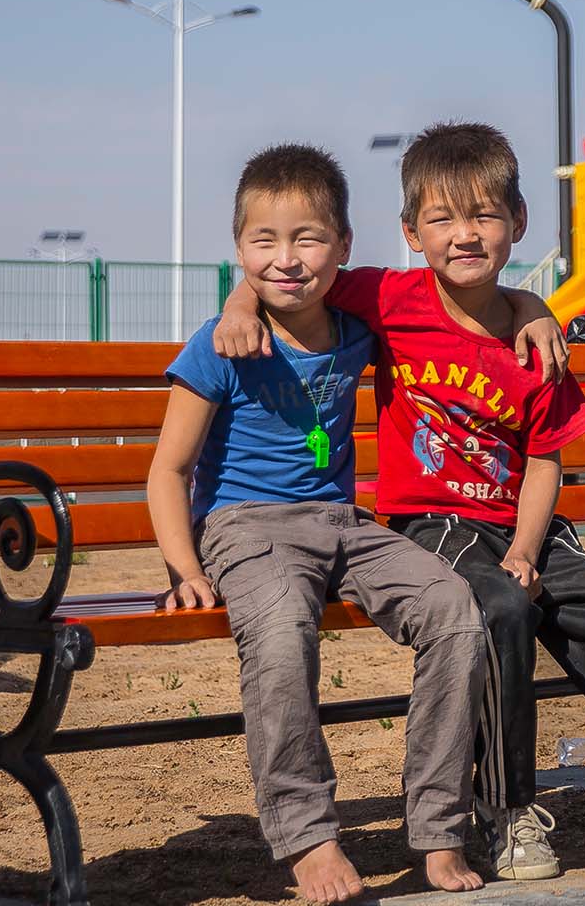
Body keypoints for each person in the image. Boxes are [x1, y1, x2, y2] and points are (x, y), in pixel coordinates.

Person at [218, 123, 585, 882]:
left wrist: (531, 547)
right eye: (442, 220)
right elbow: (292, 266)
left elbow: (544, 461)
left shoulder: (538, 344)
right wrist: (240, 302)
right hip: (431, 525)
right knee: (496, 608)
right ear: (410, 233)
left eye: (484, 217)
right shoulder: (391, 296)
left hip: (525, 524)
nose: (464, 236)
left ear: (518, 223)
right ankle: (507, 815)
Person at [148, 144, 495, 904]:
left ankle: (439, 828)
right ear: (239, 249)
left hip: (344, 522)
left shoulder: (357, 328)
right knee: (279, 635)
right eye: (263, 242)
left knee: (455, 612)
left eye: (307, 238)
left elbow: (467, 298)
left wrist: (533, 312)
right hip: (247, 529)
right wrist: (184, 568)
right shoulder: (222, 344)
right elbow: (168, 472)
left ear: (343, 246)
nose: (287, 259)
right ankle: (306, 836)